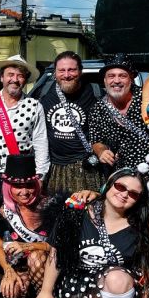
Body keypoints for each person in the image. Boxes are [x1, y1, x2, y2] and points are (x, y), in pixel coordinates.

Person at [32, 168, 149, 298]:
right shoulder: (76, 212)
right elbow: (57, 252)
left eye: (133, 194)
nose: (124, 195)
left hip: (118, 283)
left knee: (117, 277)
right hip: (79, 281)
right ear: (108, 185)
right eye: (120, 186)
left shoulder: (138, 227)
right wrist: (46, 291)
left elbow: (147, 268)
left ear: (138, 200)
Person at [90, 53, 149, 208]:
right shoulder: (98, 109)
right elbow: (95, 140)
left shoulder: (148, 99)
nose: (116, 81)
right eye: (111, 76)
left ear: (131, 78)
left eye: (122, 76)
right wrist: (101, 151)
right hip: (122, 182)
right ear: (105, 80)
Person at [36, 51, 102, 194]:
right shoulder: (44, 92)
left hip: (85, 168)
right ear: (55, 73)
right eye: (62, 70)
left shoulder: (95, 92)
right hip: (53, 168)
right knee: (55, 212)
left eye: (71, 69)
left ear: (80, 71)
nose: (66, 75)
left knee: (87, 211)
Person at [0, 154, 51, 298]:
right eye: (18, 186)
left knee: (36, 258)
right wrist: (8, 270)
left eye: (29, 185)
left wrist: (29, 246)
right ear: (8, 188)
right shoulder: (4, 212)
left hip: (49, 265)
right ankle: (30, 291)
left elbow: (59, 245)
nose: (24, 192)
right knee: (11, 291)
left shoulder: (51, 207)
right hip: (20, 265)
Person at [0, 55, 49, 178]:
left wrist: (41, 175)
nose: (15, 79)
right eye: (10, 74)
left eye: (20, 76)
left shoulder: (34, 106)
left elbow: (40, 142)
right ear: (2, 77)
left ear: (25, 80)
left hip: (22, 174)